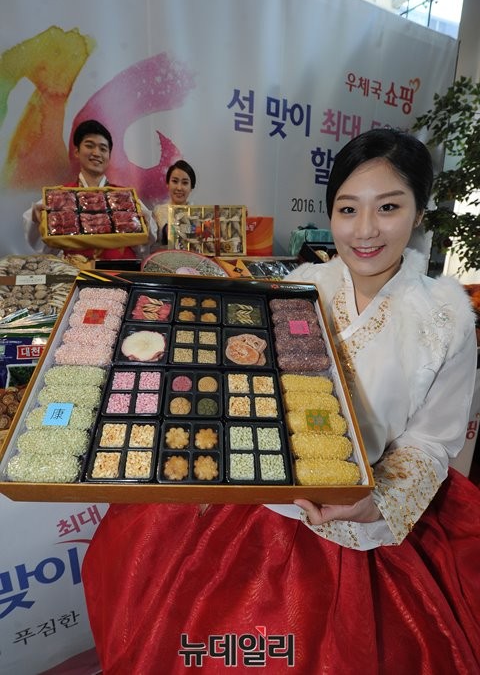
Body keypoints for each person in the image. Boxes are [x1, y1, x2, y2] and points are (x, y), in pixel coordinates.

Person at [81, 129, 480, 674]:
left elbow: (432, 439)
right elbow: (245, 378)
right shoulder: (301, 285)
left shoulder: (447, 317)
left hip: (364, 523)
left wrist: (378, 500)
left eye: (388, 207)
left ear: (418, 213)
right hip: (260, 496)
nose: (365, 229)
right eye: (348, 209)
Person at [23, 119, 157, 260]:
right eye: (89, 146)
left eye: (103, 149)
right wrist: (36, 218)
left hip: (119, 271)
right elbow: (46, 247)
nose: (96, 153)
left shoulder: (125, 197)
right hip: (76, 271)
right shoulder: (60, 197)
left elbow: (144, 247)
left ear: (109, 156)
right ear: (76, 151)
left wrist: (145, 224)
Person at [152, 159, 196, 245]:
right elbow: (151, 243)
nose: (179, 188)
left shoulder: (198, 215)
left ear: (191, 187)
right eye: (175, 181)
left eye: (185, 183)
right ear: (167, 184)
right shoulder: (158, 212)